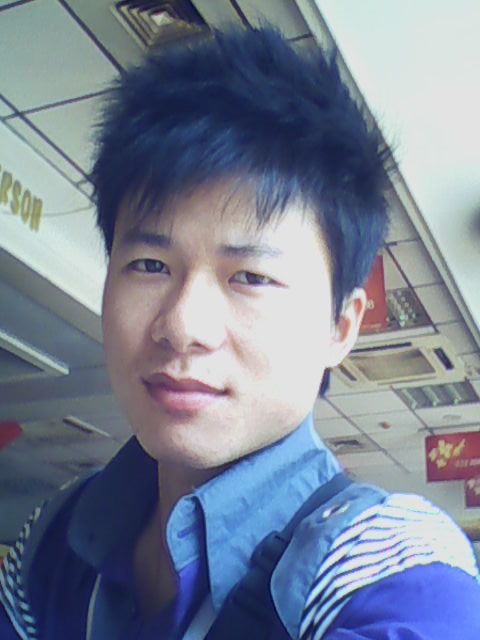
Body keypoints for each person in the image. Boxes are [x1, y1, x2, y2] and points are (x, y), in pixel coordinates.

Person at [1, 26, 479, 640]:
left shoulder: (388, 571)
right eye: (149, 265)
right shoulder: (56, 538)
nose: (182, 326)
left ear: (340, 327)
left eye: (250, 276)